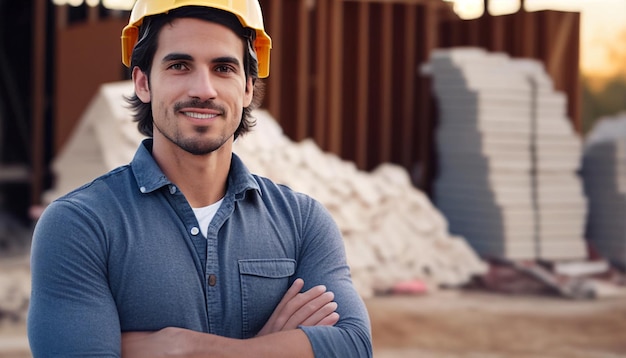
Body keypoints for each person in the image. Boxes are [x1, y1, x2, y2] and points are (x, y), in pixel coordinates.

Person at [27, 0, 372, 357]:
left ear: (248, 88)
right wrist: (266, 348)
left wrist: (184, 347)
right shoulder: (81, 225)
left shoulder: (303, 222)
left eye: (223, 68)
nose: (204, 89)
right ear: (143, 83)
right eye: (179, 65)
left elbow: (354, 346)